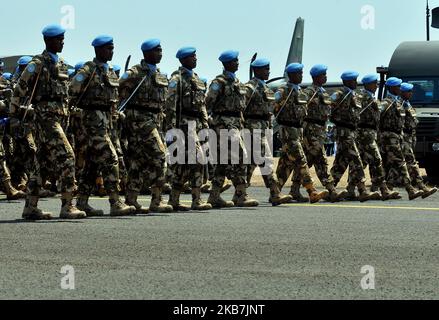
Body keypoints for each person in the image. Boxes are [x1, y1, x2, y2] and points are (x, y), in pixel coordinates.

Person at [10, 24, 86, 220]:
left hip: (60, 118)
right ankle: (68, 205)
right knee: (67, 155)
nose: (62, 42)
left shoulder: (60, 64)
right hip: (45, 119)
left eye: (62, 38)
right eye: (58, 39)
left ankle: (30, 207)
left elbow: (66, 94)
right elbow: (20, 89)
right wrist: (15, 115)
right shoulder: (38, 63)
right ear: (48, 41)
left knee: (42, 164)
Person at [70, 35, 135, 217]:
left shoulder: (110, 72)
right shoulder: (88, 70)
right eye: (108, 48)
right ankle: (116, 202)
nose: (111, 51)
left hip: (107, 122)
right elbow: (71, 91)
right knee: (110, 158)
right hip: (92, 122)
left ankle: (82, 202)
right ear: (98, 50)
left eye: (112, 48)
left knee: (92, 164)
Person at [119, 38, 173, 213]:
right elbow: (117, 91)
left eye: (161, 50)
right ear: (147, 53)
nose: (160, 53)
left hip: (155, 121)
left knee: (138, 161)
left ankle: (131, 199)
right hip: (138, 121)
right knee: (159, 155)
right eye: (157, 50)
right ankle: (157, 200)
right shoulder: (134, 73)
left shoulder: (160, 74)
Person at [206, 50, 259, 208]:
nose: (237, 62)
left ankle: (214, 196)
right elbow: (208, 102)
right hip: (223, 124)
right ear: (226, 63)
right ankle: (241, 195)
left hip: (236, 124)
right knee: (242, 156)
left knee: (222, 162)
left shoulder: (237, 82)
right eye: (234, 61)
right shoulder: (219, 82)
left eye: (237, 60)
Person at [164, 46, 212, 211]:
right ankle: (196, 199)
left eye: (195, 56)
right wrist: (170, 130)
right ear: (183, 60)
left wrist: (205, 125)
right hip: (182, 125)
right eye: (192, 57)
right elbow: (170, 105)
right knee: (198, 159)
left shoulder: (197, 79)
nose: (195, 59)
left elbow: (202, 105)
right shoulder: (177, 79)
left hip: (196, 124)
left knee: (182, 164)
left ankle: (174, 200)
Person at [274, 63, 327, 204]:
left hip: (298, 132)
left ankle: (276, 191)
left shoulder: (300, 92)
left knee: (285, 164)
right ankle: (312, 191)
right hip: (288, 131)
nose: (301, 75)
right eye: (298, 73)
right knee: (301, 161)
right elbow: (274, 108)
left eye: (301, 73)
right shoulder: (284, 90)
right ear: (291, 75)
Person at [330, 71, 381, 202]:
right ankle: (363, 190)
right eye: (353, 80)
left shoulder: (354, 96)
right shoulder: (340, 94)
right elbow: (329, 109)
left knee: (340, 163)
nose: (356, 83)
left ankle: (332, 189)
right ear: (347, 82)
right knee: (357, 161)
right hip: (344, 133)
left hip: (352, 133)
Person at [379, 77, 424, 200]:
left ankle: (386, 188)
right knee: (401, 162)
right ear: (392, 88)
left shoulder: (398, 103)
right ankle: (411, 189)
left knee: (391, 164)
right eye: (398, 87)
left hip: (399, 137)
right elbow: (376, 118)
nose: (400, 88)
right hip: (389, 138)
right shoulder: (386, 103)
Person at [302, 65, 340, 202]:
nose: (326, 76)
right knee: (316, 160)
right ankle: (331, 190)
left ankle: (331, 190)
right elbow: (300, 109)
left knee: (315, 161)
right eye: (323, 74)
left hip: (320, 131)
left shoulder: (323, 92)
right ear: (316, 77)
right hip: (311, 131)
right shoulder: (308, 92)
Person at [400, 82, 437, 198]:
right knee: (409, 162)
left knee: (397, 164)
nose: (411, 93)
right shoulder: (400, 105)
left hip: (410, 137)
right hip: (402, 138)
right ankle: (420, 187)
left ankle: (385, 188)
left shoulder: (407, 104)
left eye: (411, 91)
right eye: (409, 91)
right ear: (403, 92)